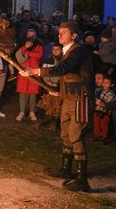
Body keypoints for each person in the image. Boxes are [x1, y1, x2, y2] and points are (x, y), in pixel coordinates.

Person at [20, 20, 94, 192]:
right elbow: (67, 77)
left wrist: (36, 71)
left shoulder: (79, 51)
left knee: (76, 135)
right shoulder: (67, 51)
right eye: (59, 32)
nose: (60, 35)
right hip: (68, 98)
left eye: (64, 32)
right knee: (66, 133)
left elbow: (63, 69)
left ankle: (82, 179)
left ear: (74, 36)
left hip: (80, 100)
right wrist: (56, 90)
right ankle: (66, 170)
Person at [15, 28, 43, 121]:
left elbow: (39, 55)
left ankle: (32, 112)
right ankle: (22, 112)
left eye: (33, 35)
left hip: (34, 71)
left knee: (33, 93)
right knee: (22, 93)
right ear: (27, 35)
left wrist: (27, 52)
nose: (31, 37)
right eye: (29, 35)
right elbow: (19, 54)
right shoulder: (22, 44)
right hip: (23, 71)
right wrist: (25, 48)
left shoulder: (39, 45)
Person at [93, 74, 116, 144]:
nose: (105, 84)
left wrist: (101, 103)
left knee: (104, 125)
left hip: (105, 112)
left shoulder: (111, 93)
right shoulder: (100, 90)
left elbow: (109, 102)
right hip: (97, 110)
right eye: (104, 82)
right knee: (96, 123)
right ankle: (97, 135)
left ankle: (104, 136)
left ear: (111, 85)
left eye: (107, 83)